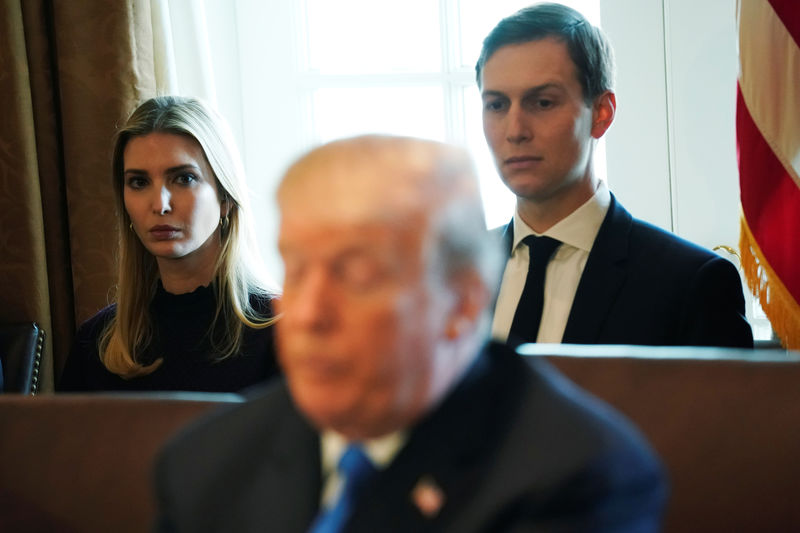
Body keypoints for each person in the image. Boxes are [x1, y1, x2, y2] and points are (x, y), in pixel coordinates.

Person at [155, 135, 666, 532]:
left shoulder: (575, 476)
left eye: (355, 274)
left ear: (463, 304)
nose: (308, 314)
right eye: (297, 268)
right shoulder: (205, 465)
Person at [477, 3, 753, 347]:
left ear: (602, 114)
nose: (515, 130)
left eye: (543, 102)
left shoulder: (689, 284)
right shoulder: (450, 277)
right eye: (497, 105)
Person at [58, 96, 279, 392]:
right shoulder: (97, 341)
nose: (160, 204)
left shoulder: (284, 333)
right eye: (139, 182)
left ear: (224, 197)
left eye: (184, 178)